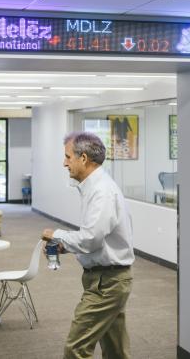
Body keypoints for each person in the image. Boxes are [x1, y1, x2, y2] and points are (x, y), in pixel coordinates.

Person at [42, 132, 134, 359]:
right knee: (116, 352)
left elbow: (91, 238)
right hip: (106, 279)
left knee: (76, 349)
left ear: (83, 158)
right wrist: (65, 246)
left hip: (107, 284)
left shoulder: (102, 191)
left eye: (67, 157)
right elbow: (95, 237)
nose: (64, 163)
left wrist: (57, 235)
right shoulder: (93, 187)